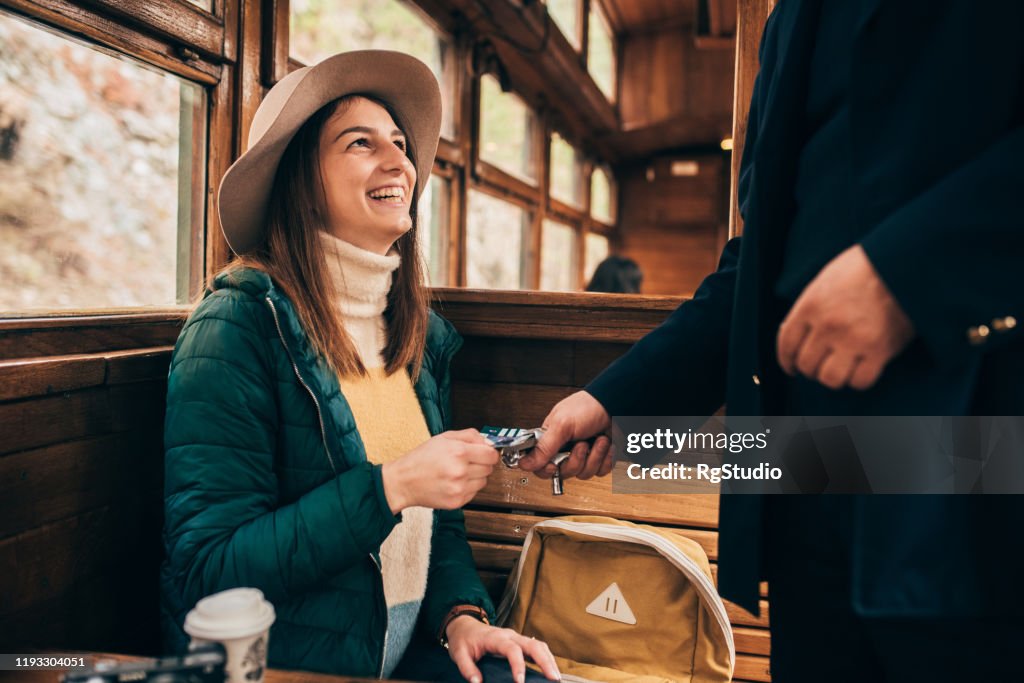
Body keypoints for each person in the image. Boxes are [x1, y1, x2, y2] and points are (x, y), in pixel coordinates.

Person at [519, 1, 1024, 680]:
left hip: (981, 490)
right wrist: (618, 398)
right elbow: (759, 267)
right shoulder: (791, 20)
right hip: (804, 490)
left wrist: (910, 275)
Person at [159, 50, 559, 683]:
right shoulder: (237, 325)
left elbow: (439, 528)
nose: (400, 162)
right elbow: (207, 570)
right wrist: (390, 487)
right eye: (360, 143)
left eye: (400, 144)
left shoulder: (417, 336)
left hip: (402, 655)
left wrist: (462, 618)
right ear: (300, 176)